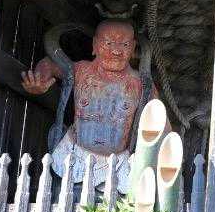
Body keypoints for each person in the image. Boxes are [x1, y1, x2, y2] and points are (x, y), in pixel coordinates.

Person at [21, 19, 145, 189]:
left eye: (124, 44)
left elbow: (161, 123)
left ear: (132, 47)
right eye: (108, 43)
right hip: (73, 156)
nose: (116, 51)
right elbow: (49, 64)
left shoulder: (141, 84)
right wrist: (40, 79)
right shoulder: (81, 70)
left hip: (118, 165)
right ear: (95, 44)